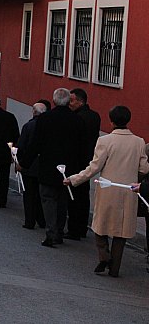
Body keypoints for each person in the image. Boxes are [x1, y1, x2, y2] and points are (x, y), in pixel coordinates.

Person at [65, 106, 149, 276]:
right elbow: (144, 168)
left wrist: (73, 179)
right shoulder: (139, 142)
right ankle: (115, 268)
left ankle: (104, 256)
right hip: (129, 190)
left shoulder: (105, 141)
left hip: (107, 188)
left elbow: (94, 167)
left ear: (111, 121)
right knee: (122, 230)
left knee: (100, 225)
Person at [20, 88, 84, 248]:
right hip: (68, 168)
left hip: (48, 166)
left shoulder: (45, 119)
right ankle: (60, 232)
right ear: (69, 101)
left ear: (54, 101)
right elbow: (80, 146)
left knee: (48, 200)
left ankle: (51, 232)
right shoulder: (77, 120)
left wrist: (24, 162)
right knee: (62, 200)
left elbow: (36, 144)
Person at [66, 88, 101, 240]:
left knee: (74, 195)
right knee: (84, 195)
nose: (69, 104)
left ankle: (74, 229)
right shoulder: (94, 116)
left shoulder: (76, 118)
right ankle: (82, 227)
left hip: (76, 160)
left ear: (80, 101)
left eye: (72, 101)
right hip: (88, 159)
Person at [16, 102, 47, 230]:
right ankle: (42, 220)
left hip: (29, 165)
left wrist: (20, 162)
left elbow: (22, 146)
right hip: (43, 165)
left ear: (34, 112)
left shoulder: (28, 126)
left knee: (29, 194)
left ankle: (30, 220)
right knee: (40, 195)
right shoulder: (48, 126)